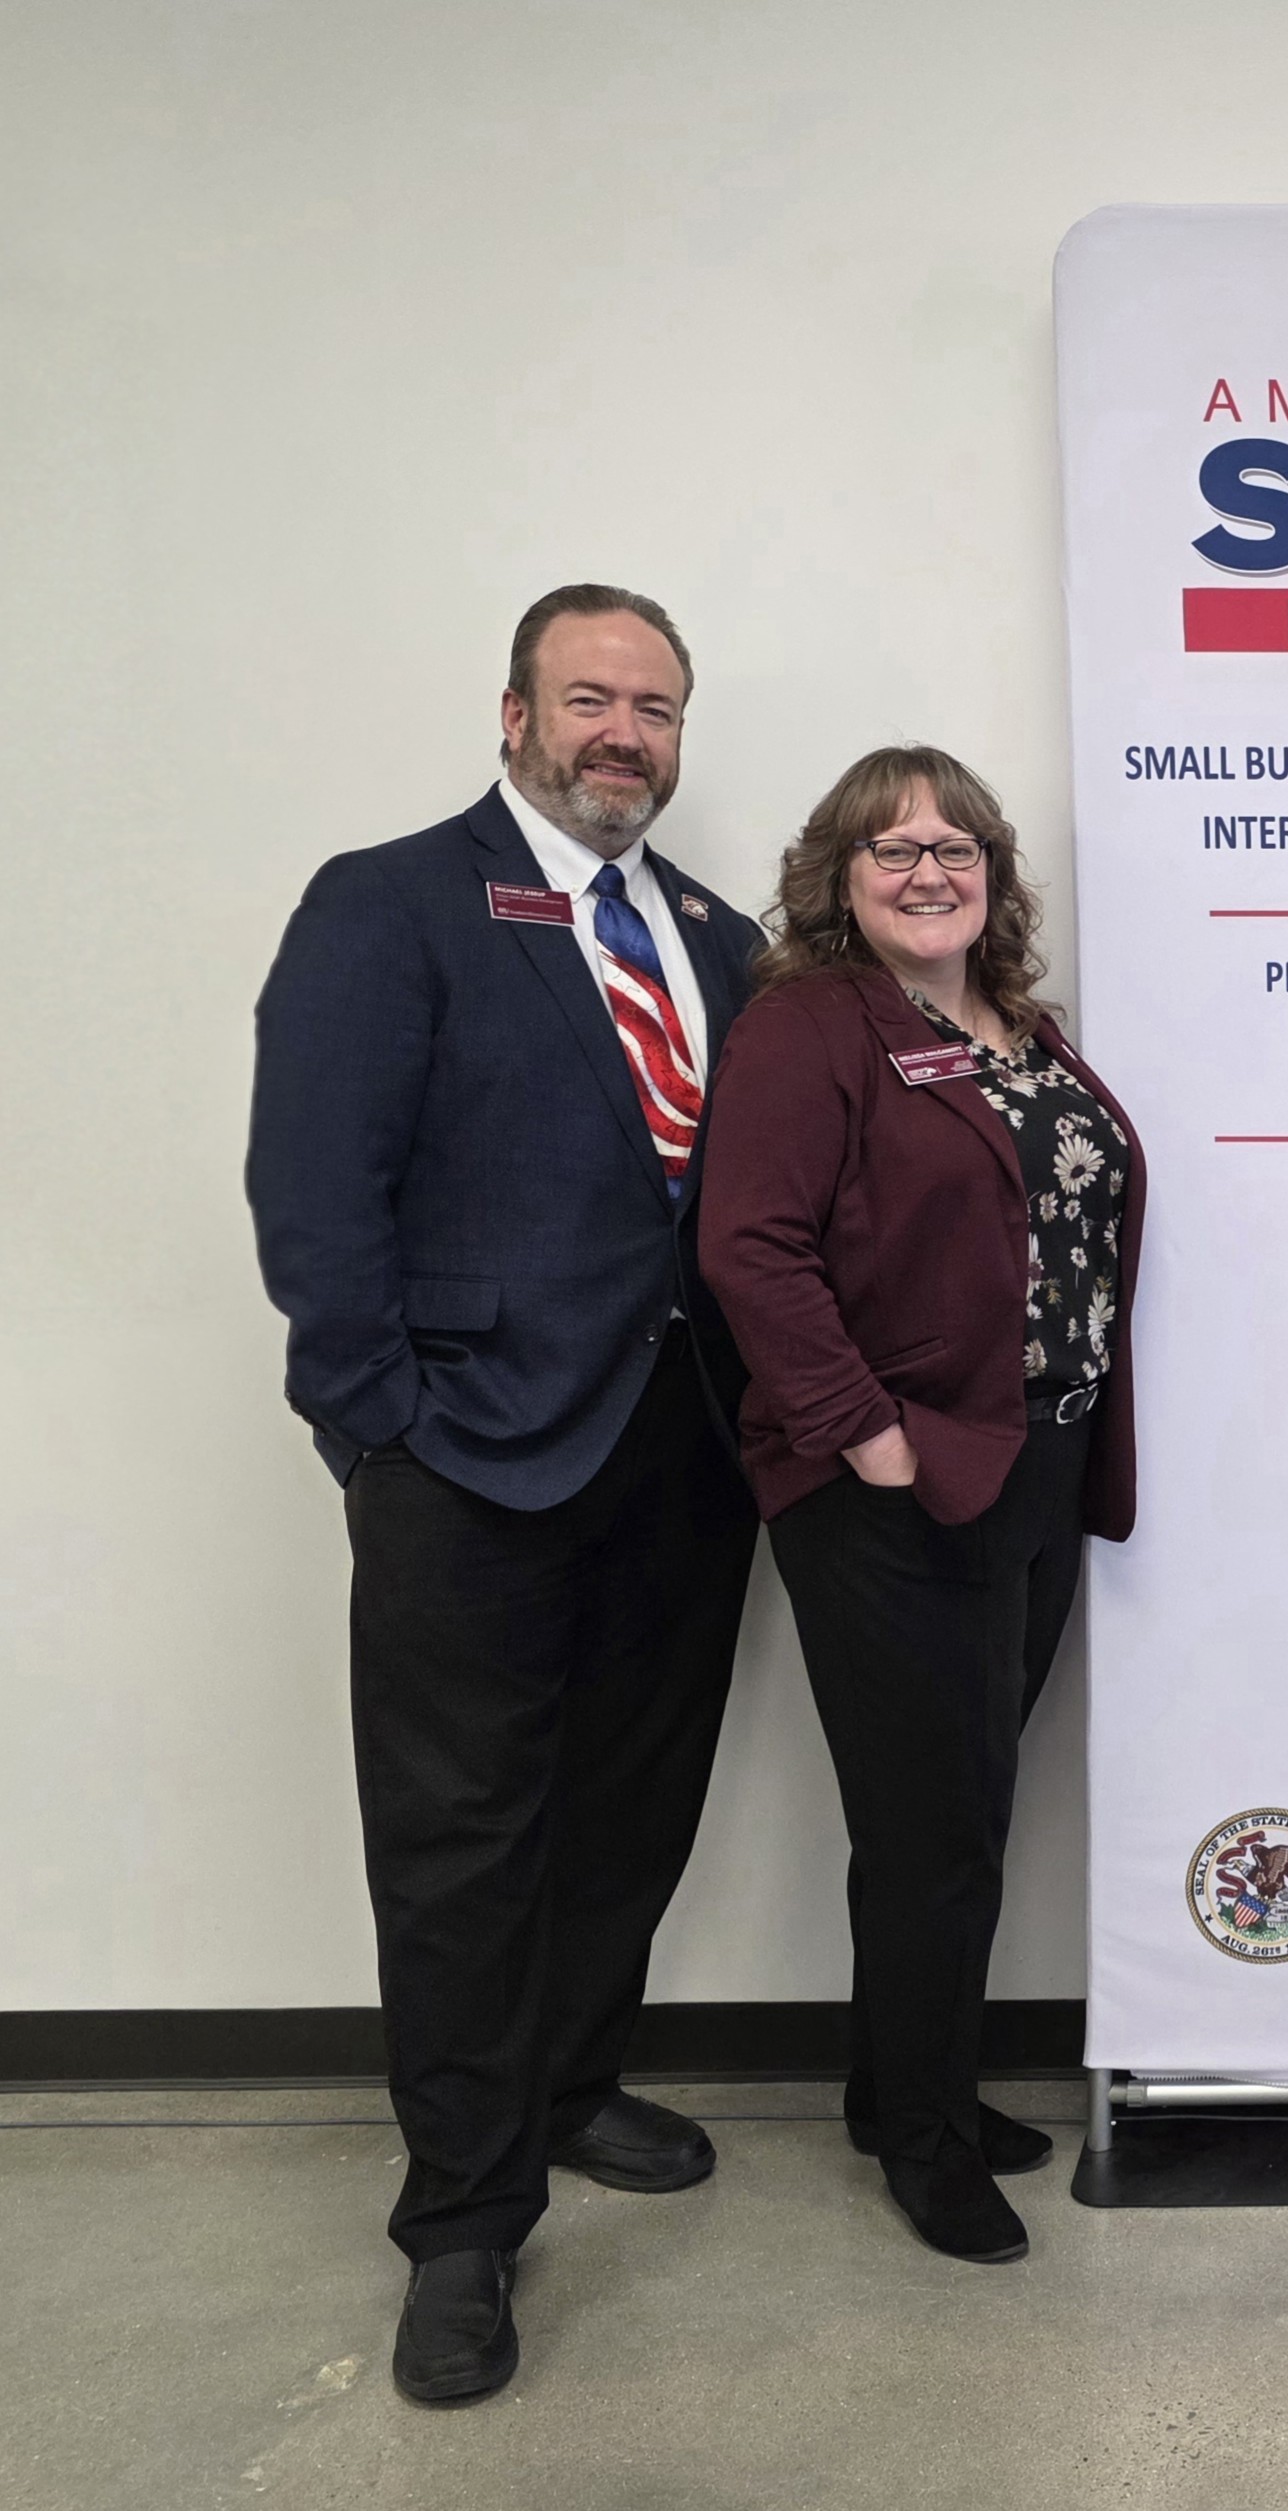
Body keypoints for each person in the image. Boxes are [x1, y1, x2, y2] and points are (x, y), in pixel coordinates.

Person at [247, 585, 764, 2404]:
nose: (626, 733)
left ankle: (569, 2084)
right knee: (462, 1846)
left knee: (631, 1808)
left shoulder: (715, 934)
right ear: (516, 711)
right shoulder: (388, 903)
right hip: (466, 1458)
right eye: (592, 699)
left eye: (658, 708)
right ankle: (463, 2223)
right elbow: (316, 1196)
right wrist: (377, 1424)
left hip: (685, 1460)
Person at [698, 746, 1142, 2266]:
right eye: (890, 850)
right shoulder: (807, 1028)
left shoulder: (1018, 1027)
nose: (928, 870)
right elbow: (749, 1250)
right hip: (899, 1484)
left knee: (947, 1805)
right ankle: (932, 2145)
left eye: (955, 846)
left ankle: (897, 2089)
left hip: (1039, 1460)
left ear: (994, 876)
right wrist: (865, 1435)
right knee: (937, 1823)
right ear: (838, 879)